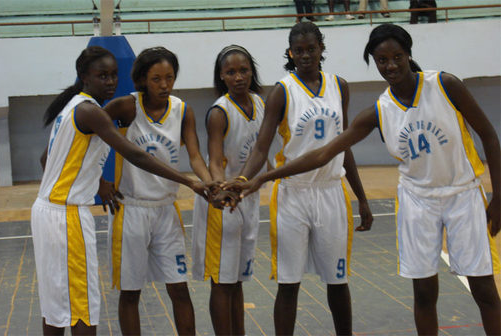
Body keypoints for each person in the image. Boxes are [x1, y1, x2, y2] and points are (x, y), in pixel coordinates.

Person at [231, 24, 501, 336]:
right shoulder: (379, 111)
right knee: (424, 293)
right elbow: (323, 154)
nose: (391, 65)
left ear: (408, 54)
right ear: (374, 62)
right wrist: (259, 178)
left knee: (482, 288)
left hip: (462, 194)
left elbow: (490, 137)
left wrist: (499, 197)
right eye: (382, 60)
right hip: (416, 202)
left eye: (397, 57)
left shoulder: (444, 84)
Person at [31, 46, 207, 335]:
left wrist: (93, 181)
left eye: (113, 75)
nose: (110, 81)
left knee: (57, 307)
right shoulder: (91, 111)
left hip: (49, 211)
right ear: (84, 77)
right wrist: (190, 181)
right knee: (82, 309)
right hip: (68, 215)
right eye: (102, 76)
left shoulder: (73, 106)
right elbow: (136, 155)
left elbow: (44, 159)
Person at [224, 22, 373, 335]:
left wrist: (361, 198)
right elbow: (262, 146)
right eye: (299, 50)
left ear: (321, 48)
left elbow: (345, 147)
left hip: (332, 192)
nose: (305, 55)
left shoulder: (339, 85)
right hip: (293, 194)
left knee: (338, 280)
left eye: (311, 49)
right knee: (288, 283)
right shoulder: (282, 91)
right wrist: (242, 179)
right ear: (290, 53)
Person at [100, 47, 212, 336]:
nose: (164, 85)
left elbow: (196, 156)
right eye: (156, 79)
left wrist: (208, 181)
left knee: (179, 289)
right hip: (131, 209)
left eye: (170, 77)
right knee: (130, 293)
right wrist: (99, 180)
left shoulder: (182, 109)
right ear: (142, 80)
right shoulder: (126, 106)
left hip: (166, 210)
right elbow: (87, 133)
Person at [190, 45, 265, 336]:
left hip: (248, 198)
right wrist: (223, 188)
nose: (238, 77)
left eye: (243, 70)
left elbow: (263, 152)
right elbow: (215, 159)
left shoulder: (260, 103)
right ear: (221, 76)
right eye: (231, 72)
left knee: (237, 280)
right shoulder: (219, 112)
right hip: (224, 202)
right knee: (222, 282)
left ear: (251, 72)